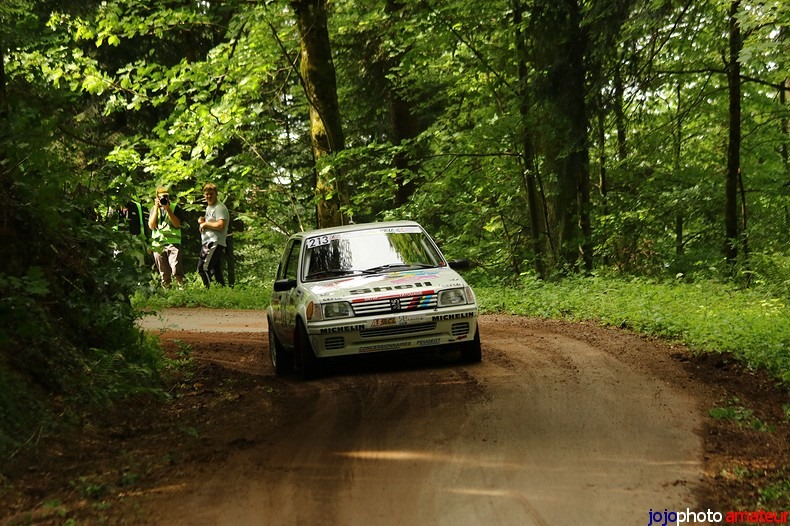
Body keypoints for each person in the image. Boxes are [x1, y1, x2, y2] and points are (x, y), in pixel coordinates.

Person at [148, 187, 185, 288]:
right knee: (163, 272)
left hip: (173, 242)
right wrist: (156, 208)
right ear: (157, 198)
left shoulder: (175, 207)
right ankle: (167, 290)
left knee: (176, 268)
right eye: (161, 197)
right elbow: (151, 226)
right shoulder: (153, 209)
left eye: (166, 196)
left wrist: (167, 209)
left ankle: (182, 287)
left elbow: (177, 224)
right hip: (158, 244)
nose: (164, 199)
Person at [197, 183, 229, 288]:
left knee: (203, 268)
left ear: (216, 194)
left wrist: (205, 224)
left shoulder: (219, 208)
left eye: (211, 194)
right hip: (208, 241)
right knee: (216, 271)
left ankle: (209, 292)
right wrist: (203, 221)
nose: (209, 196)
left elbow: (220, 225)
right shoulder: (209, 207)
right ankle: (223, 292)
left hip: (214, 241)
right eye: (207, 194)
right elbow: (212, 222)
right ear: (204, 195)